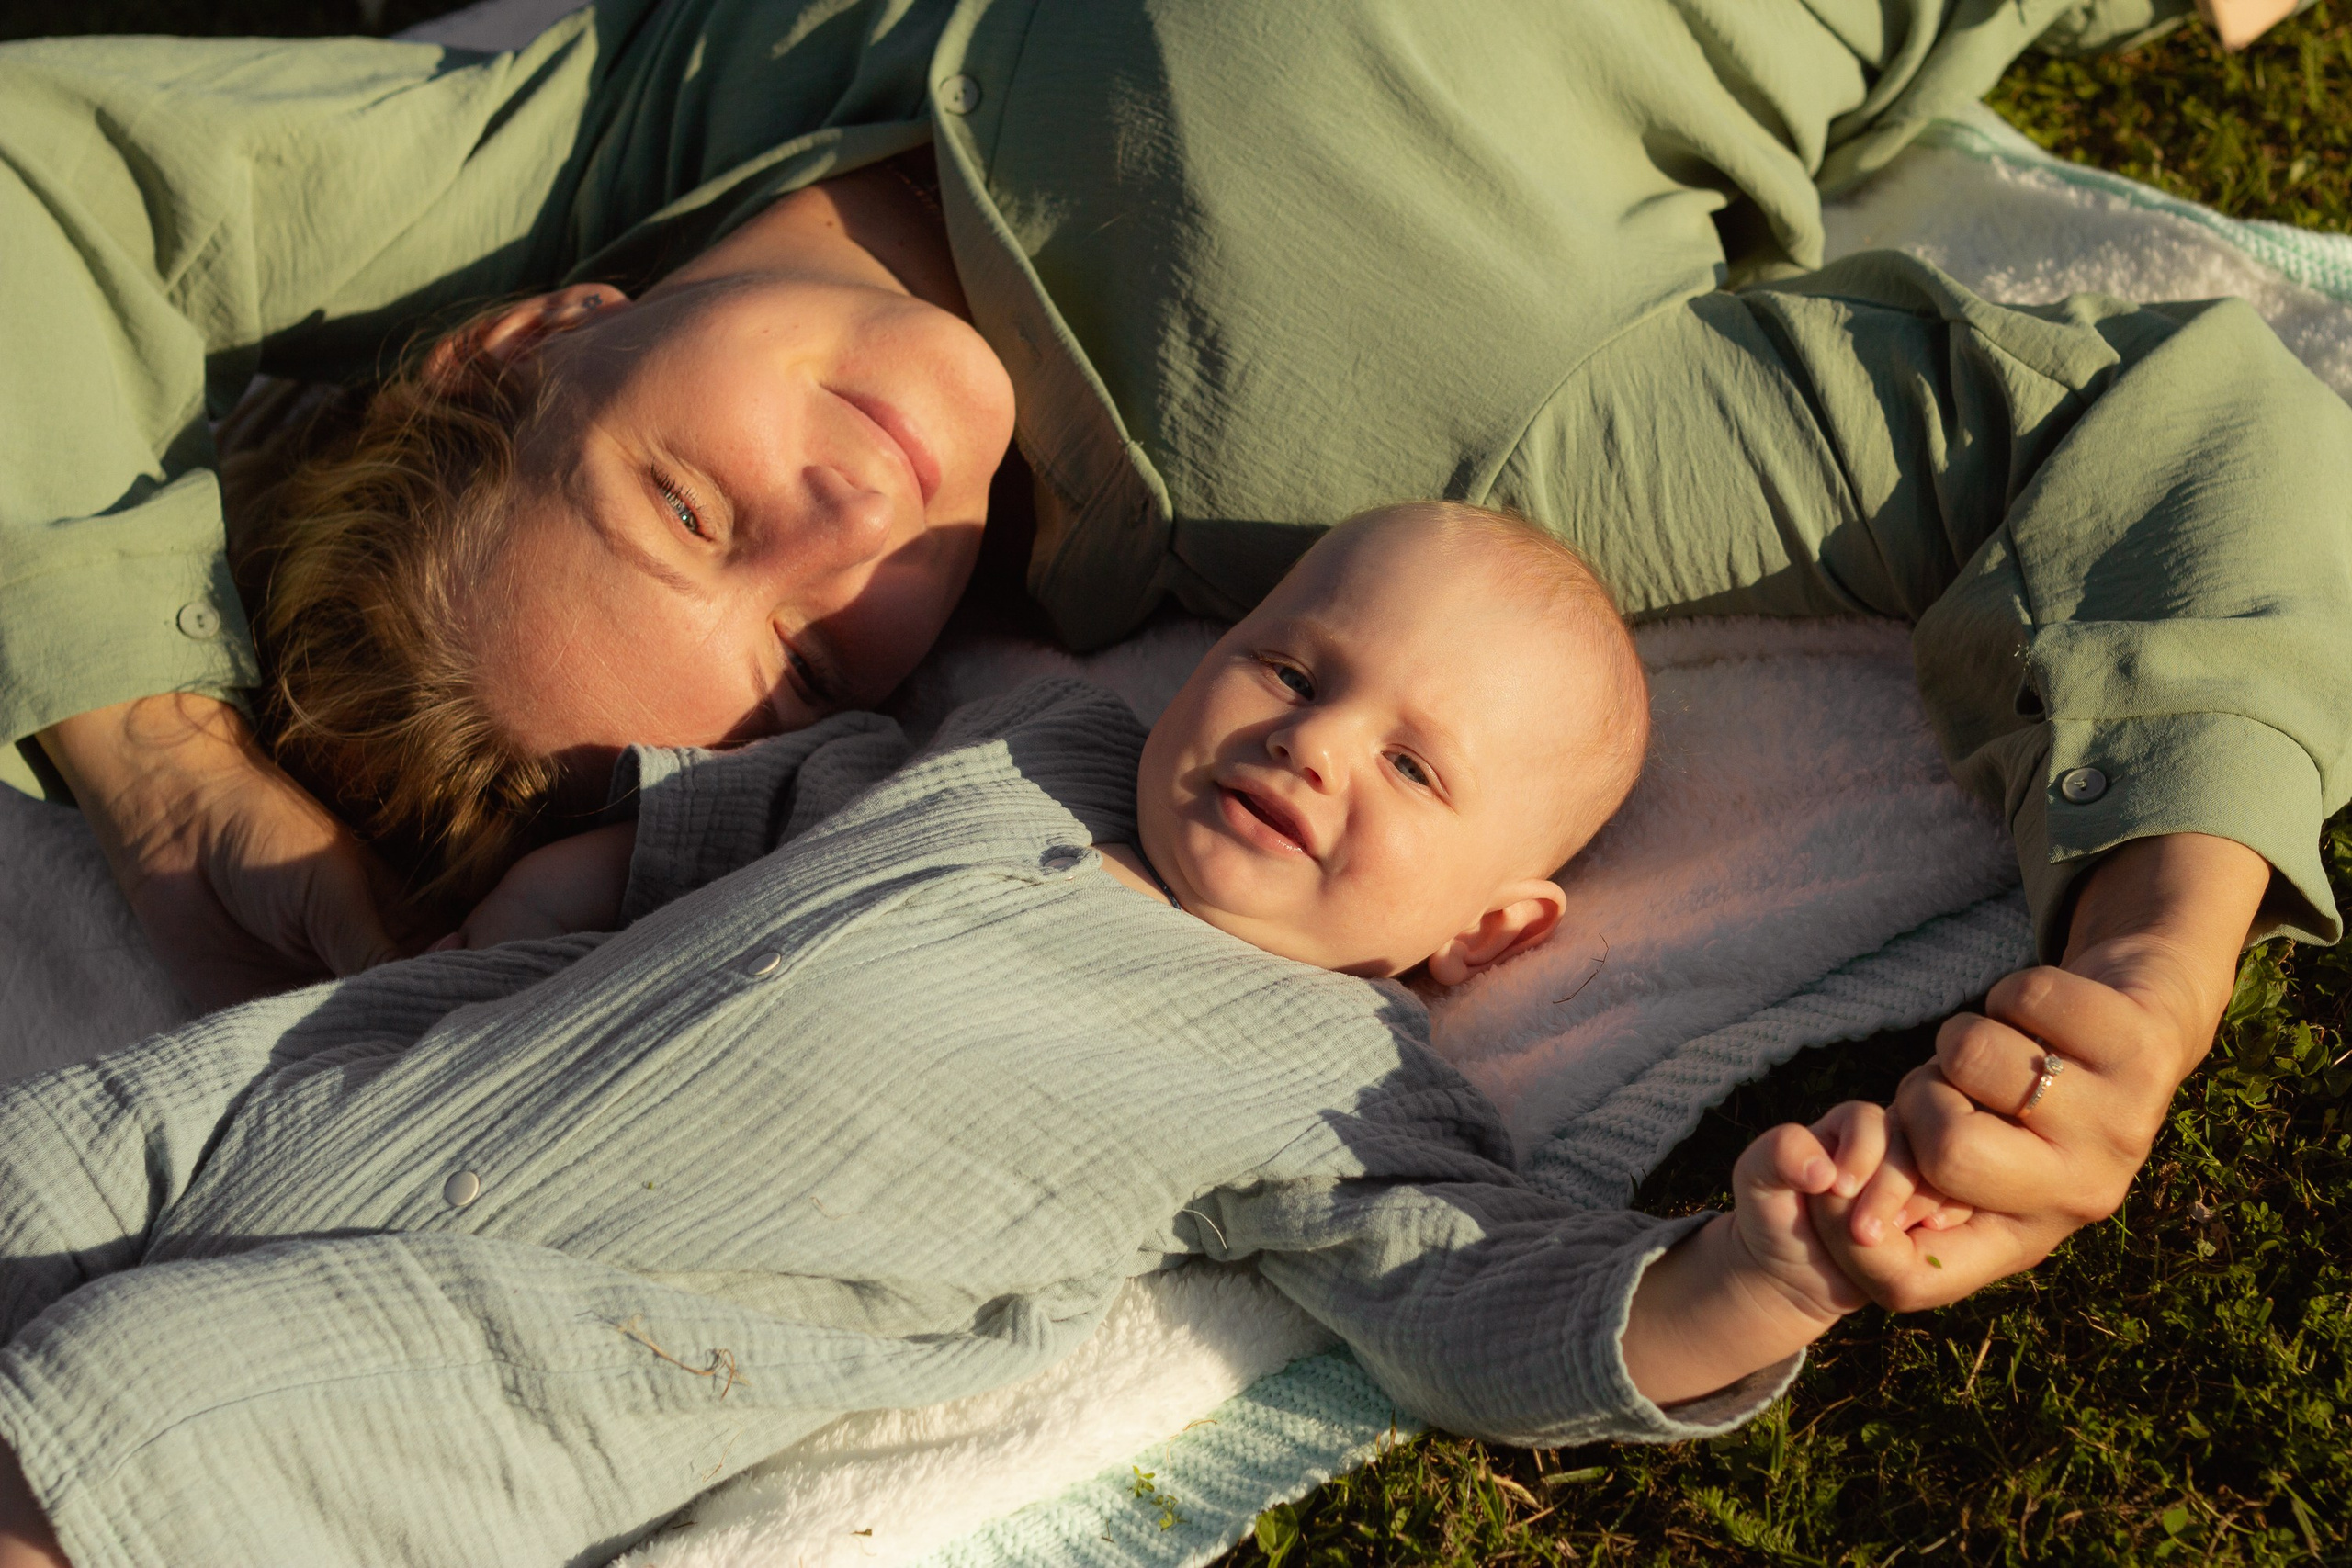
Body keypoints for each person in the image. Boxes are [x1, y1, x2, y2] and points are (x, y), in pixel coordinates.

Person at [3, 0, 2346, 1392]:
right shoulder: (1388, 483)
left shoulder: (626, 123)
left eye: (689, 518)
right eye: (818, 664)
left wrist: (162, 757)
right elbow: (2150, 434)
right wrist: (2148, 963)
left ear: (530, 332)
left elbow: (42, 181)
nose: (848, 535)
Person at [0, 505, 1975, 1567]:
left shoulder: (1335, 1079)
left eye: (1410, 760)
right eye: (1292, 665)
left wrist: (1747, 1273)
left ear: (1490, 924)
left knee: (132, 1398)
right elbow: (756, 799)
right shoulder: (1035, 746)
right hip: (352, 1072)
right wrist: (556, 884)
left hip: (531, 1328)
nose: (1305, 741)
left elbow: (1492, 1305)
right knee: (46, 1155)